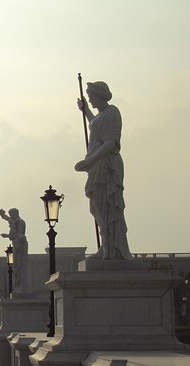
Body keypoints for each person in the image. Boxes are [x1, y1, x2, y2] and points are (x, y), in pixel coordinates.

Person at [75, 81, 132, 260]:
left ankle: (114, 249)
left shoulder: (113, 113)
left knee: (107, 206)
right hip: (97, 166)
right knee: (97, 208)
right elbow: (96, 125)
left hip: (107, 165)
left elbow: (110, 142)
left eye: (91, 97)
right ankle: (106, 245)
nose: (90, 99)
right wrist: (86, 112)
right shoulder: (101, 116)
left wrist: (91, 160)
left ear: (100, 95)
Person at [0, 208, 29, 294]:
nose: (10, 217)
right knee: (16, 267)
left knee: (19, 266)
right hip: (17, 244)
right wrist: (2, 215)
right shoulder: (15, 220)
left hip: (19, 245)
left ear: (16, 213)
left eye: (11, 215)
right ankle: (18, 287)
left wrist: (7, 235)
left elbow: (20, 235)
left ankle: (21, 288)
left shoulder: (19, 222)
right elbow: (8, 219)